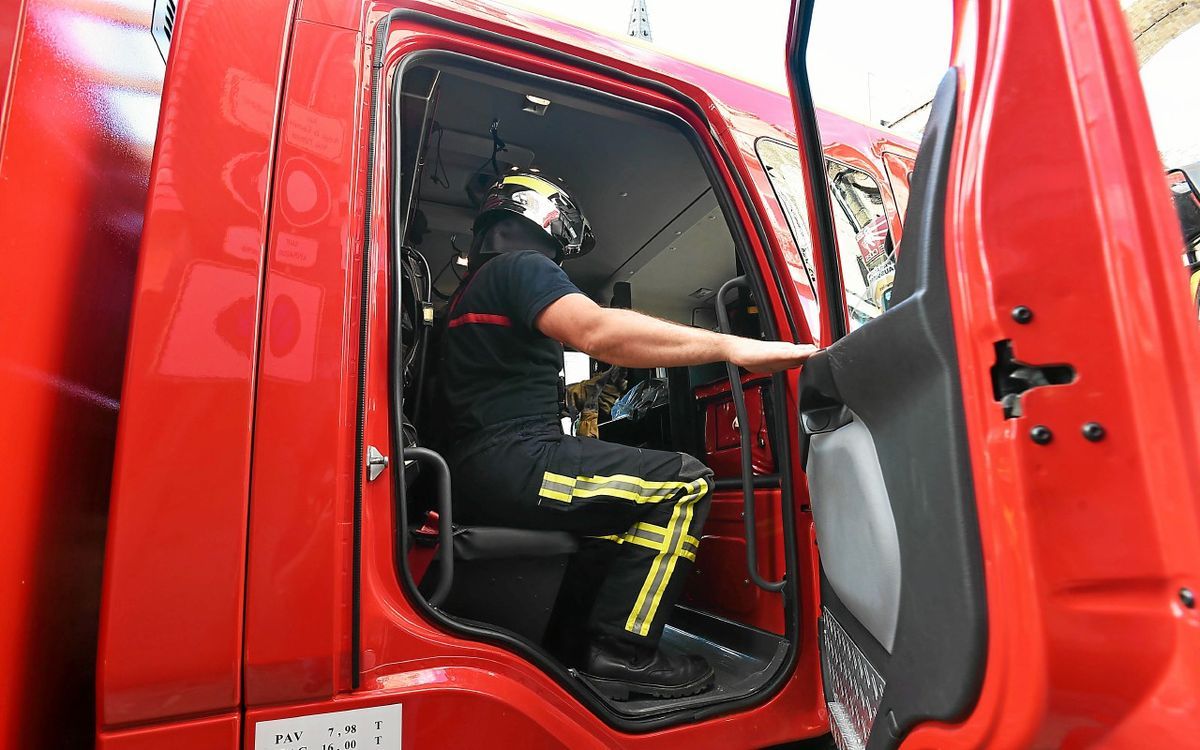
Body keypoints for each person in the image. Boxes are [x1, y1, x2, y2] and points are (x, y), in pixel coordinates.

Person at [437, 168, 816, 700]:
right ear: (544, 219)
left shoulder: (463, 296)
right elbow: (596, 332)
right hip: (518, 460)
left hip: (476, 471)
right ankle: (622, 652)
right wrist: (732, 347)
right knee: (685, 482)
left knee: (618, 517)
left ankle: (574, 641)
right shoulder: (521, 267)